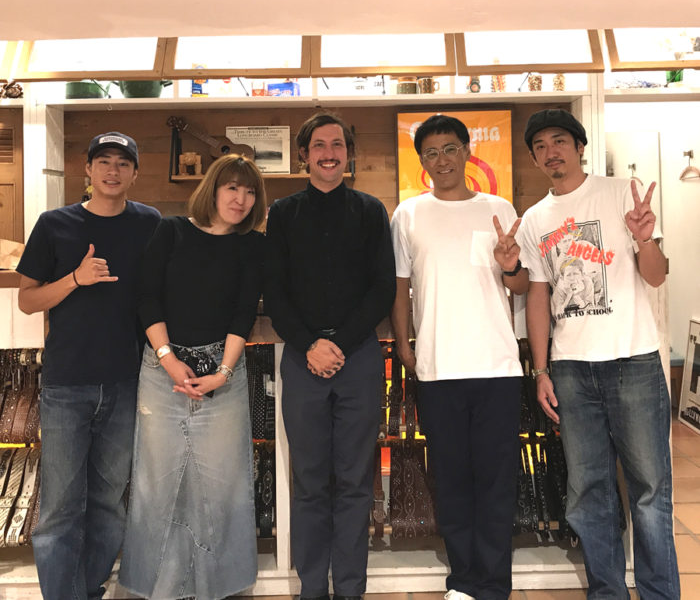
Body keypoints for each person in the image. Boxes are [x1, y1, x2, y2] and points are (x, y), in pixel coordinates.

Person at [517, 108, 680, 599]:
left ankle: (659, 592)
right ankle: (607, 591)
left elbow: (656, 276)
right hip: (571, 369)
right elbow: (538, 297)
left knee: (650, 490)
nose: (551, 152)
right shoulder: (535, 219)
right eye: (540, 146)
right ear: (534, 158)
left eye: (559, 141)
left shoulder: (620, 193)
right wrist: (541, 370)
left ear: (580, 147)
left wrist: (644, 238)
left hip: (634, 360)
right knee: (588, 493)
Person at [16, 132, 161, 600]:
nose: (112, 171)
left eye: (122, 163)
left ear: (135, 173)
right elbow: (27, 300)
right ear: (88, 170)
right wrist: (75, 279)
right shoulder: (54, 224)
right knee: (59, 506)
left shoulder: (149, 223)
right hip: (67, 383)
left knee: (108, 503)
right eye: (104, 161)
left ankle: (89, 588)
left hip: (126, 381)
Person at [390, 114, 526, 600]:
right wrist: (404, 343)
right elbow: (400, 286)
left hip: (497, 367)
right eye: (431, 152)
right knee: (451, 480)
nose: (442, 159)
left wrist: (510, 266)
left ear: (468, 152)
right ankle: (464, 582)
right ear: (422, 162)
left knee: (496, 480)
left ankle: (494, 583)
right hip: (437, 367)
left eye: (450, 148)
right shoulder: (408, 214)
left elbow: (520, 285)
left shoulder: (498, 208)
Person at [119, 154, 266, 600]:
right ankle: (160, 588)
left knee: (224, 480)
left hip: (223, 370)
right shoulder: (171, 231)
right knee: (157, 478)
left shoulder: (252, 245)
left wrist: (223, 371)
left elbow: (243, 312)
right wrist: (167, 358)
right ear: (213, 190)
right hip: (161, 369)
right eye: (232, 188)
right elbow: (147, 296)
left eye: (250, 192)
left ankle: (219, 587)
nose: (240, 199)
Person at [265, 111, 396, 600]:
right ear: (304, 155)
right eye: (319, 145)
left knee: (356, 481)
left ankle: (350, 590)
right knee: (310, 482)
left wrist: (338, 344)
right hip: (302, 359)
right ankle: (311, 590)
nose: (328, 153)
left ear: (348, 154)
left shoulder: (370, 210)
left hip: (358, 357)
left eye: (337, 145)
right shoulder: (283, 213)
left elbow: (383, 288)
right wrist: (309, 345)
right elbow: (275, 292)